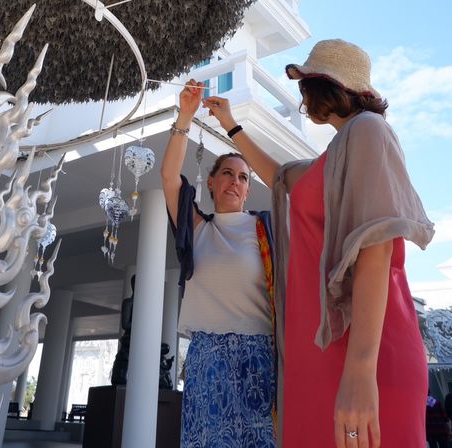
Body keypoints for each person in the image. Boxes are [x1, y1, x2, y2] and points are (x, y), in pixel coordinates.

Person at [204, 39, 434, 448]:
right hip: (326, 354)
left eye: (305, 85)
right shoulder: (336, 154)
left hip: (364, 354)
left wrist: (361, 370)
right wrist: (231, 126)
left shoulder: (369, 131)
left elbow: (376, 247)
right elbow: (280, 176)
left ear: (327, 85)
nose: (301, 98)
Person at [161, 80, 277, 448]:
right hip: (208, 357)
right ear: (211, 183)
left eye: (244, 178)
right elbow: (168, 177)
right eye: (228, 173)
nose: (236, 181)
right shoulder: (197, 228)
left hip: (261, 356)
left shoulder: (266, 230)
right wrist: (186, 115)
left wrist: (231, 123)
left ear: (248, 190)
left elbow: (290, 186)